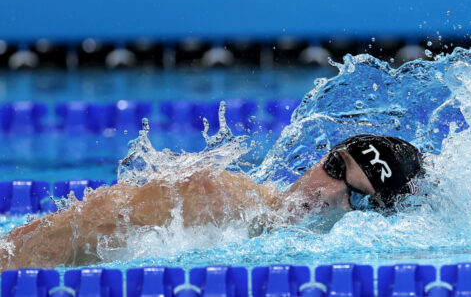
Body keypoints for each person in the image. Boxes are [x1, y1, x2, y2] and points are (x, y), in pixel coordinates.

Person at [0, 134, 424, 270]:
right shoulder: (206, 197)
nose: (326, 192)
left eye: (357, 198)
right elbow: (42, 244)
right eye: (334, 166)